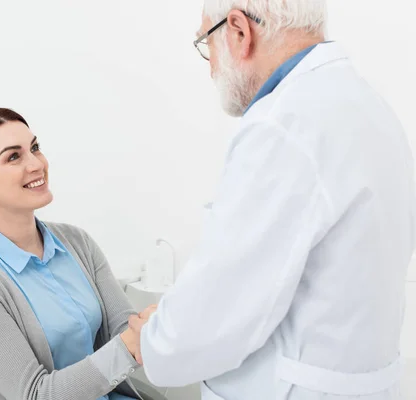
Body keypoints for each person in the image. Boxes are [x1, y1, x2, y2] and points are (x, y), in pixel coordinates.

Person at [127, 1, 415, 399]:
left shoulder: (283, 124)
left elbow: (221, 307)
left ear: (239, 31)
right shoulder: (367, 105)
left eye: (204, 43)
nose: (210, 66)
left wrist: (155, 341)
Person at [0, 108, 147, 400]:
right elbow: (34, 394)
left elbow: (124, 325)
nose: (37, 164)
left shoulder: (76, 242)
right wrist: (132, 344)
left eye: (34, 148)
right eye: (13, 157)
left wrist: (150, 328)